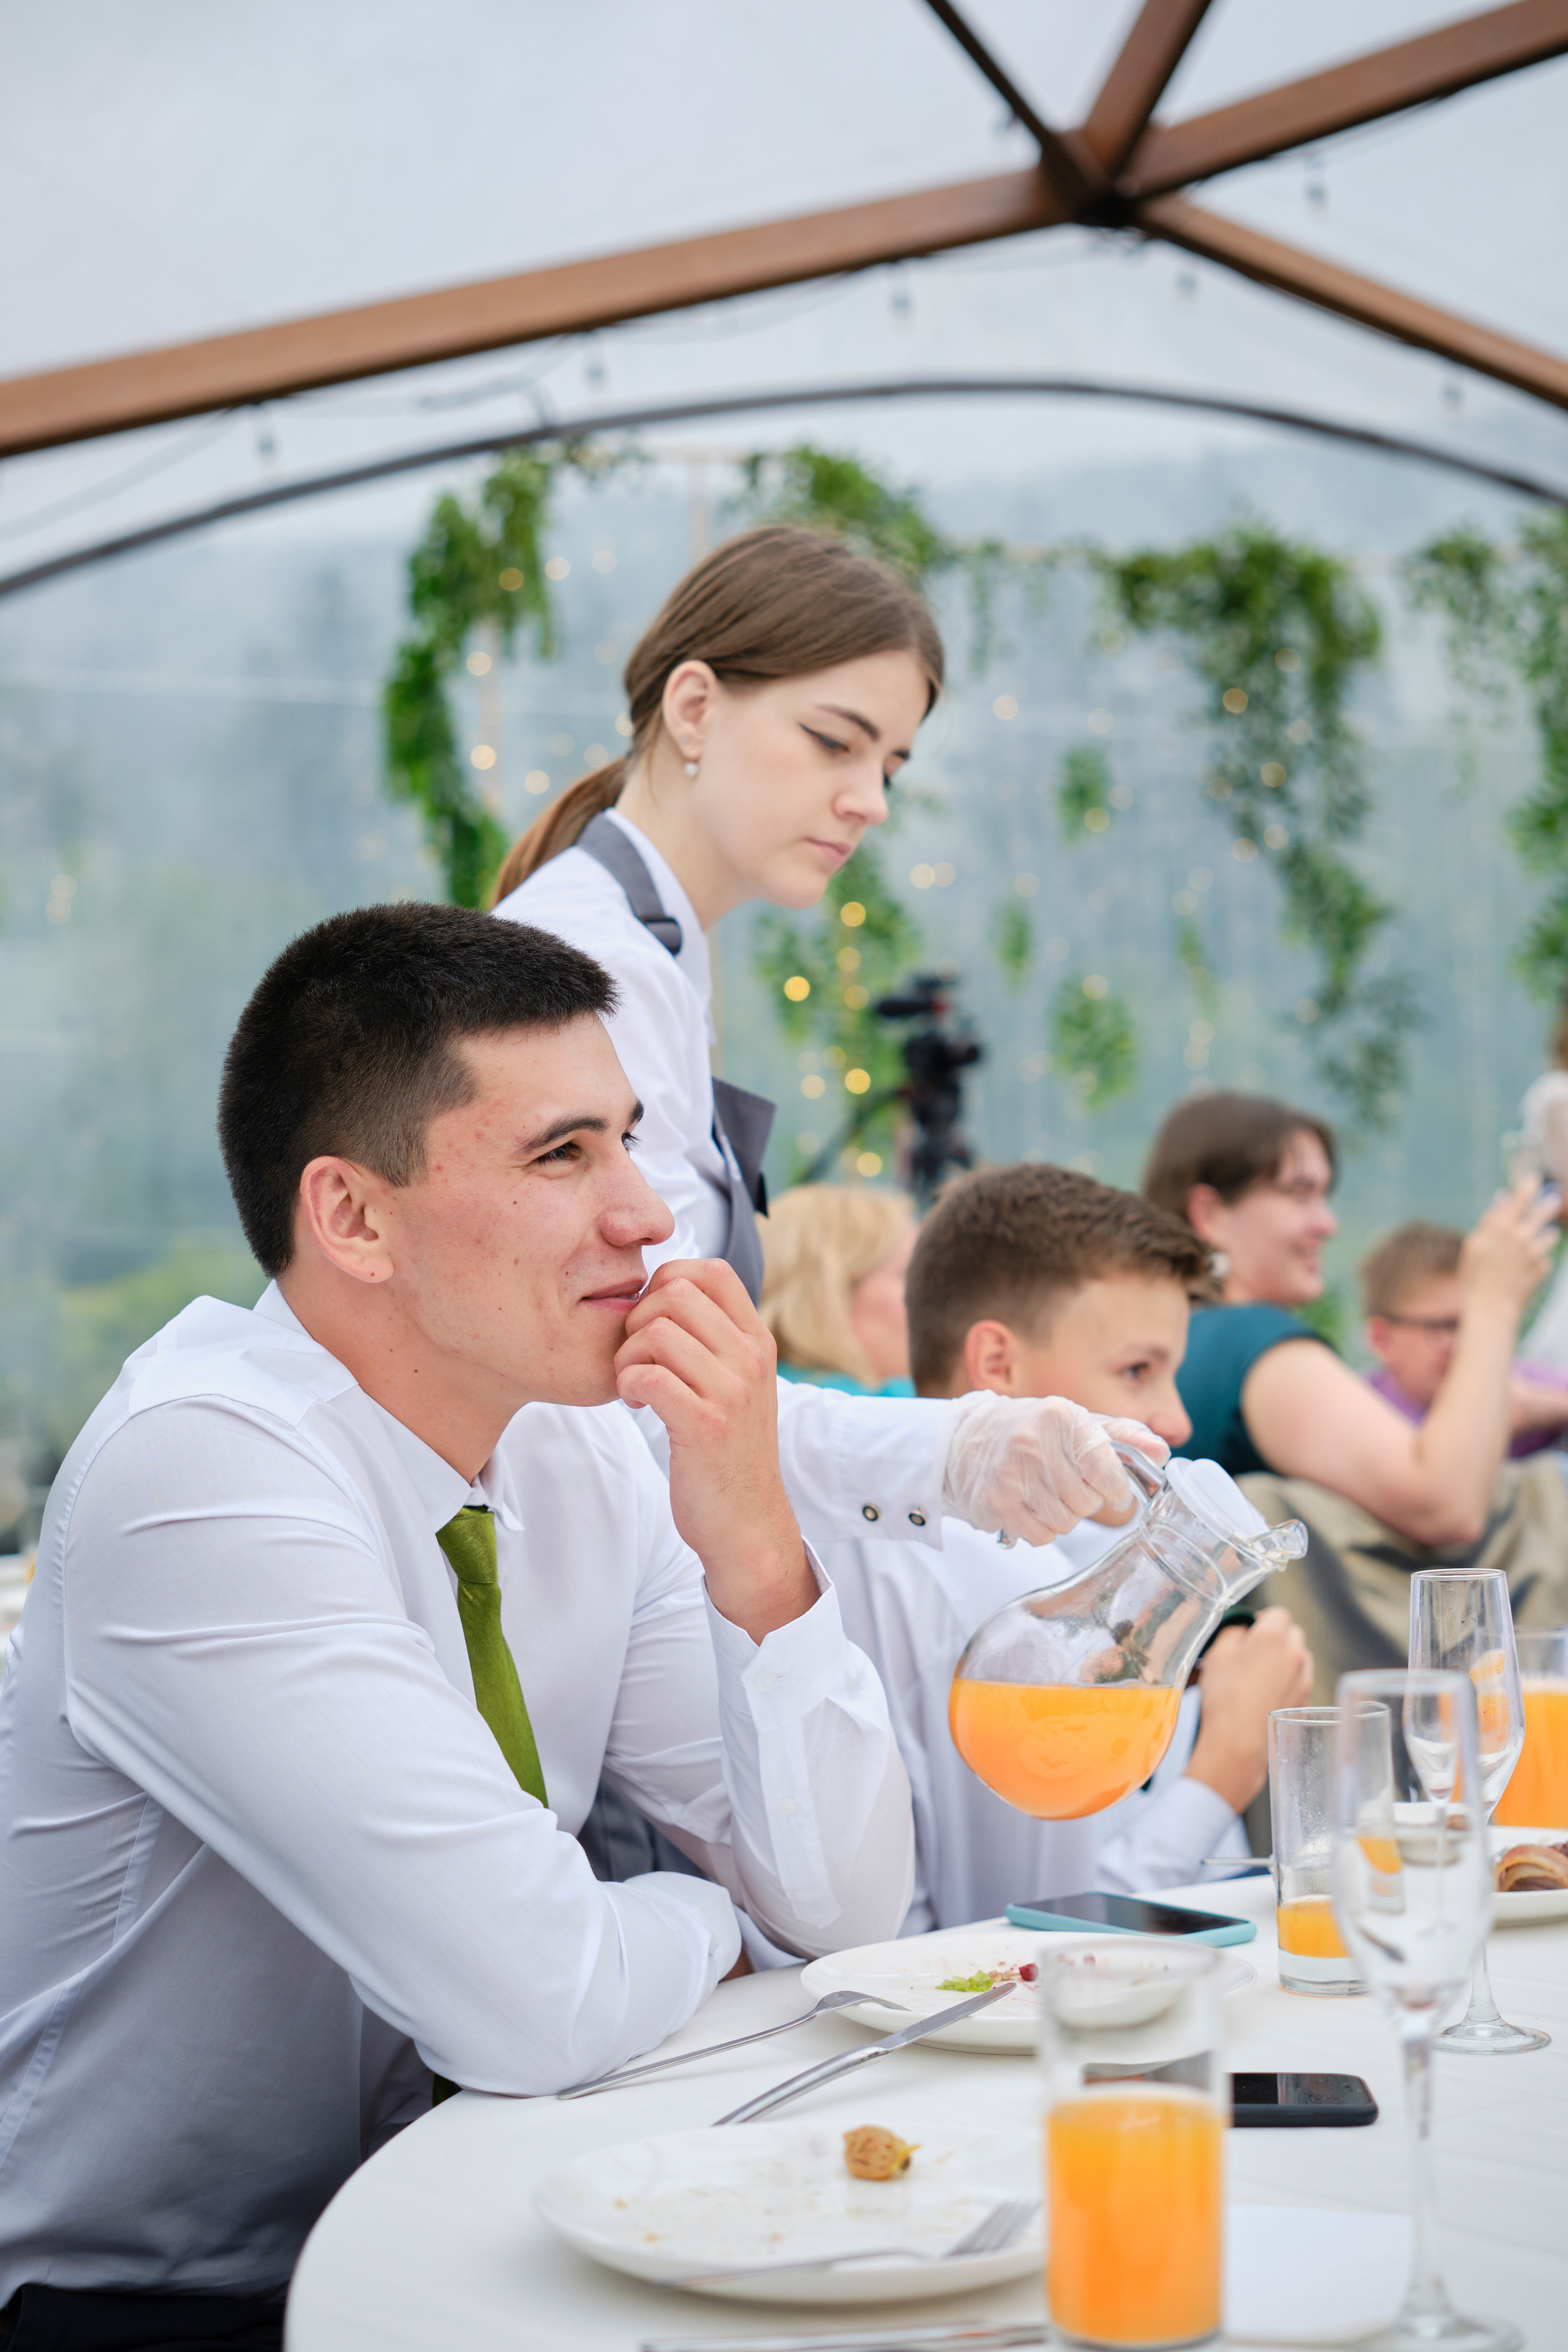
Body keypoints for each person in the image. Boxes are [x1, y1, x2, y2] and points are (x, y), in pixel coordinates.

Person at [0, 905, 916, 2344]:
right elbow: (536, 2005)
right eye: (563, 1154)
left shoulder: (581, 1441)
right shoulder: (203, 1470)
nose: (647, 1214)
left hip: (465, 2207)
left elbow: (851, 1915)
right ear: (353, 1217)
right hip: (140, 2295)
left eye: (627, 1135)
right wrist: (713, 1918)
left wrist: (755, 1545)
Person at [489, 525, 1158, 1561]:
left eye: (891, 764)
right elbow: (670, 1382)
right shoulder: (593, 961)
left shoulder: (649, 950)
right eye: (835, 742)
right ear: (695, 705)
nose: (870, 801)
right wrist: (963, 1446)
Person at [816, 1163, 1314, 1934]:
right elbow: (1037, 1928)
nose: (1176, 1419)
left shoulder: (1046, 1561)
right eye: (1137, 1370)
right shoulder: (1000, 1579)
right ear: (998, 1368)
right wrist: (1223, 1770)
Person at [1143, 1091, 1556, 1548]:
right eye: (1300, 1195)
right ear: (1211, 1213)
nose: (1328, 1223)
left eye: (1325, 1196)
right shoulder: (1251, 1341)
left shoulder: (1177, 1339)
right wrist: (1492, 1303)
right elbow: (1444, 1504)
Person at [1360, 1220, 1568, 1458]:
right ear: (1382, 1339)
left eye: (1475, 1325)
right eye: (1443, 1327)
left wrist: (1541, 1408)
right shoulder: (1358, 1412)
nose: (1464, 1346)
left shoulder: (1520, 1382)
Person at [761, 1183, 917, 1398]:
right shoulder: (902, 1414)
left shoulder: (759, 1402)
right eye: (909, 1275)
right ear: (830, 1294)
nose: (932, 1294)